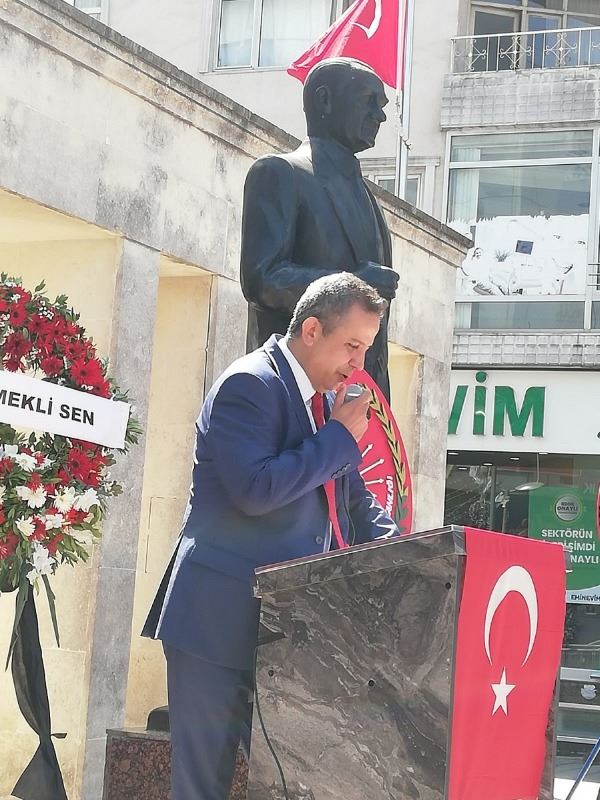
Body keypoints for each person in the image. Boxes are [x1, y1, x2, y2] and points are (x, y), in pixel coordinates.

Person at [143, 273, 399, 800]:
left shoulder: (325, 402)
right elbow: (255, 490)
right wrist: (337, 437)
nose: (359, 364)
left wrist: (409, 552)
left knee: (292, 784)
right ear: (312, 330)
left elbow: (353, 501)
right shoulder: (249, 385)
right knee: (203, 789)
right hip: (216, 626)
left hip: (285, 630)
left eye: (367, 349)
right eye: (352, 345)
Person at [240, 57, 399, 399]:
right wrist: (351, 285)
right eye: (369, 101)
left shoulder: (369, 198)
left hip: (362, 402)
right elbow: (262, 279)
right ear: (324, 100)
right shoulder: (280, 173)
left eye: (382, 105)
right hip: (291, 398)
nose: (380, 115)